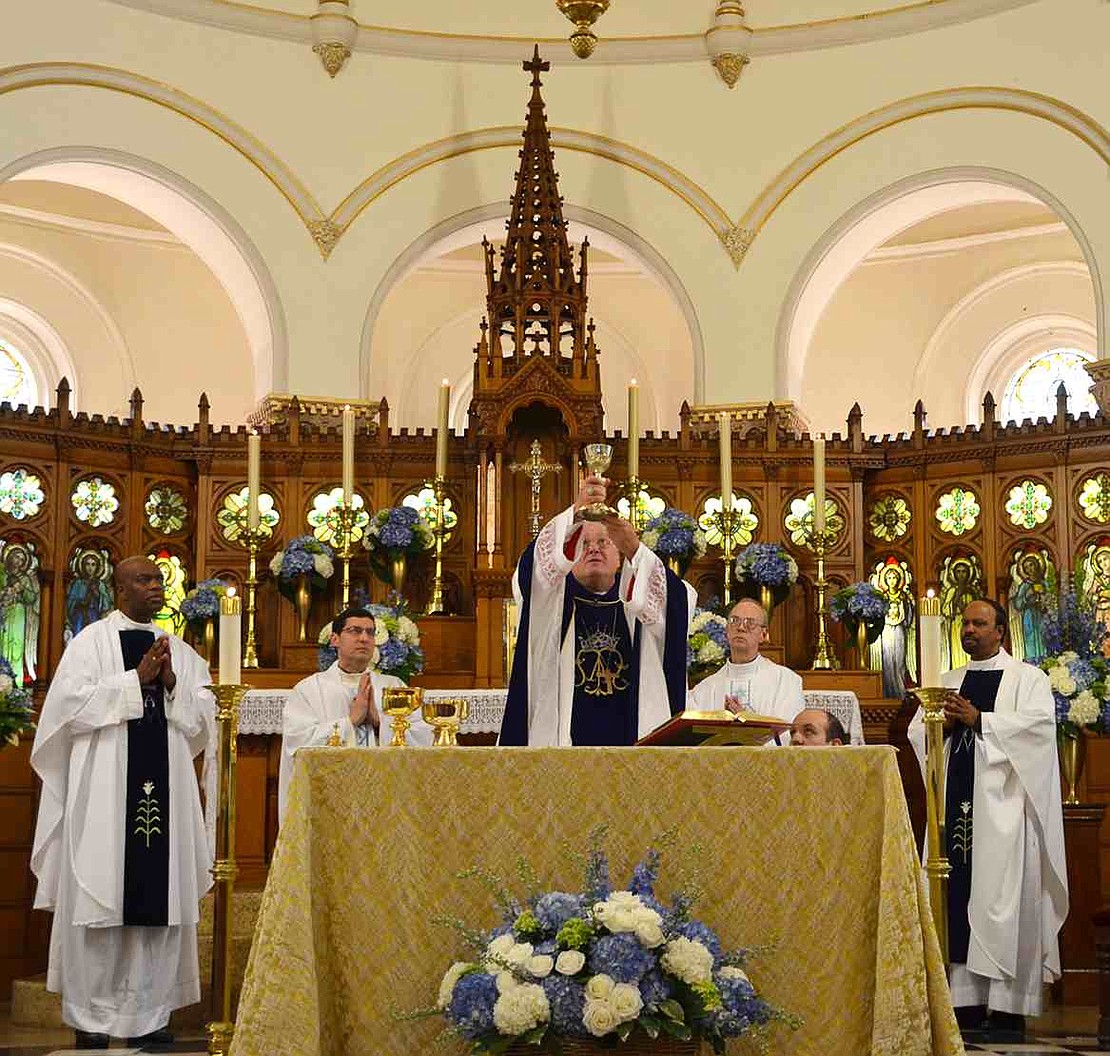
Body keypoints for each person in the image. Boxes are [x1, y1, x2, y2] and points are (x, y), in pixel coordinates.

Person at [29, 556, 213, 1050]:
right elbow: (66, 711)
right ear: (118, 589)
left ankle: (151, 1018)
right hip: (104, 803)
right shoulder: (89, 644)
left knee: (159, 906)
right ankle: (91, 1021)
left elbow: (201, 727)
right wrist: (135, 680)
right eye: (143, 580)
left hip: (164, 798)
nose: (155, 587)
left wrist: (171, 684)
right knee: (101, 904)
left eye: (159, 580)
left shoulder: (185, 653)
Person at [908, 599, 1067, 1044]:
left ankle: (1007, 1008)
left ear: (1001, 632)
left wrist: (980, 720)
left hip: (1006, 816)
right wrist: (937, 723)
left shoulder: (1027, 680)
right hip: (953, 804)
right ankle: (962, 1001)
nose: (969, 630)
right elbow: (918, 732)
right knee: (954, 895)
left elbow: (1037, 732)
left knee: (1002, 899)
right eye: (965, 624)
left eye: (979, 624)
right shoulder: (947, 681)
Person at [499, 473, 695, 746]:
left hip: (632, 743)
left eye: (604, 542)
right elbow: (531, 574)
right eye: (583, 544)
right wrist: (575, 515)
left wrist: (636, 549)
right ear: (568, 552)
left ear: (619, 555)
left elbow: (678, 603)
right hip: (563, 748)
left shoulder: (635, 598)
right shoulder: (553, 603)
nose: (593, 550)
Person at [279, 606, 432, 819]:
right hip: (330, 804)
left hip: (386, 803)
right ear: (334, 639)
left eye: (370, 632)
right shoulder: (309, 689)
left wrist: (379, 722)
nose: (364, 638)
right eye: (355, 631)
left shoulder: (394, 686)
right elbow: (298, 743)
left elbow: (425, 739)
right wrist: (351, 721)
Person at [688, 599, 805, 730]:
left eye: (750, 623)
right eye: (734, 621)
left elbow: (788, 734)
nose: (741, 627)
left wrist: (747, 722)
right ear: (727, 630)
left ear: (763, 635)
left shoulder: (786, 681)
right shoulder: (704, 689)